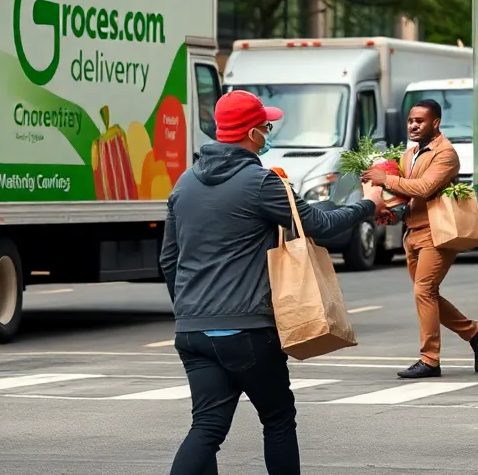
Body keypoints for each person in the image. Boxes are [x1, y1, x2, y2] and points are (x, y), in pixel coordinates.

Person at [160, 89, 384, 475]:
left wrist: (190, 310)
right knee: (278, 419)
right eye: (266, 126)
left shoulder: (184, 184)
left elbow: (168, 259)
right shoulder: (261, 183)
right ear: (251, 133)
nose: (269, 132)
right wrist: (369, 204)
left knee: (207, 427)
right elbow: (319, 225)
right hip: (246, 331)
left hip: (192, 332)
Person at [364, 99, 478, 379]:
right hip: (413, 232)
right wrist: (387, 208)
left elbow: (424, 188)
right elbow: (406, 194)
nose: (413, 125)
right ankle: (474, 331)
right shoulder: (409, 155)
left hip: (438, 232)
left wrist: (384, 179)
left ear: (435, 123)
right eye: (411, 120)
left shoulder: (446, 154)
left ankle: (430, 360)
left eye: (420, 121)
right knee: (427, 294)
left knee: (424, 291)